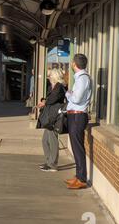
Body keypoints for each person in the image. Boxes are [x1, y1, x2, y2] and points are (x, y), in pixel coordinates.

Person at [65, 54, 92, 190]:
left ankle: (82, 179)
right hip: (74, 116)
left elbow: (76, 99)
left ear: (74, 64)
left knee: (78, 148)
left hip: (78, 116)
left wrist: (68, 94)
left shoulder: (82, 79)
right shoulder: (80, 78)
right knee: (76, 148)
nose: (71, 64)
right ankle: (78, 175)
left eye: (71, 62)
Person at [37, 69, 67, 172]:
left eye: (50, 76)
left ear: (54, 77)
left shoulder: (60, 87)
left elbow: (53, 99)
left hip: (54, 118)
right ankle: (48, 161)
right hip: (50, 116)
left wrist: (44, 102)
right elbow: (49, 99)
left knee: (52, 140)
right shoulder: (52, 87)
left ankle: (53, 165)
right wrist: (44, 101)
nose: (49, 78)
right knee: (45, 140)